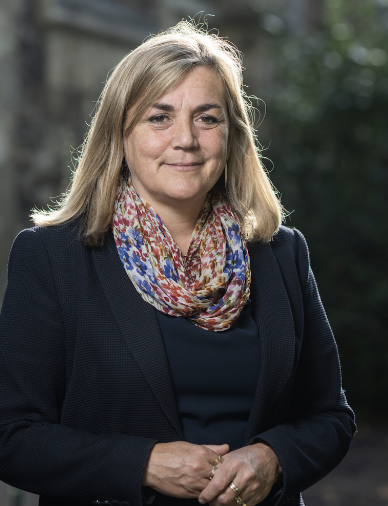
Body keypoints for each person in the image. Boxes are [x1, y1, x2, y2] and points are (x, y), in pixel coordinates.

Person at [0, 21, 355, 506]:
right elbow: (12, 436)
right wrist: (142, 464)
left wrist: (274, 458)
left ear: (231, 136)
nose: (185, 138)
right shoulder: (52, 258)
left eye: (207, 118)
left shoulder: (280, 254)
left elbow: (330, 417)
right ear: (119, 134)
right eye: (159, 117)